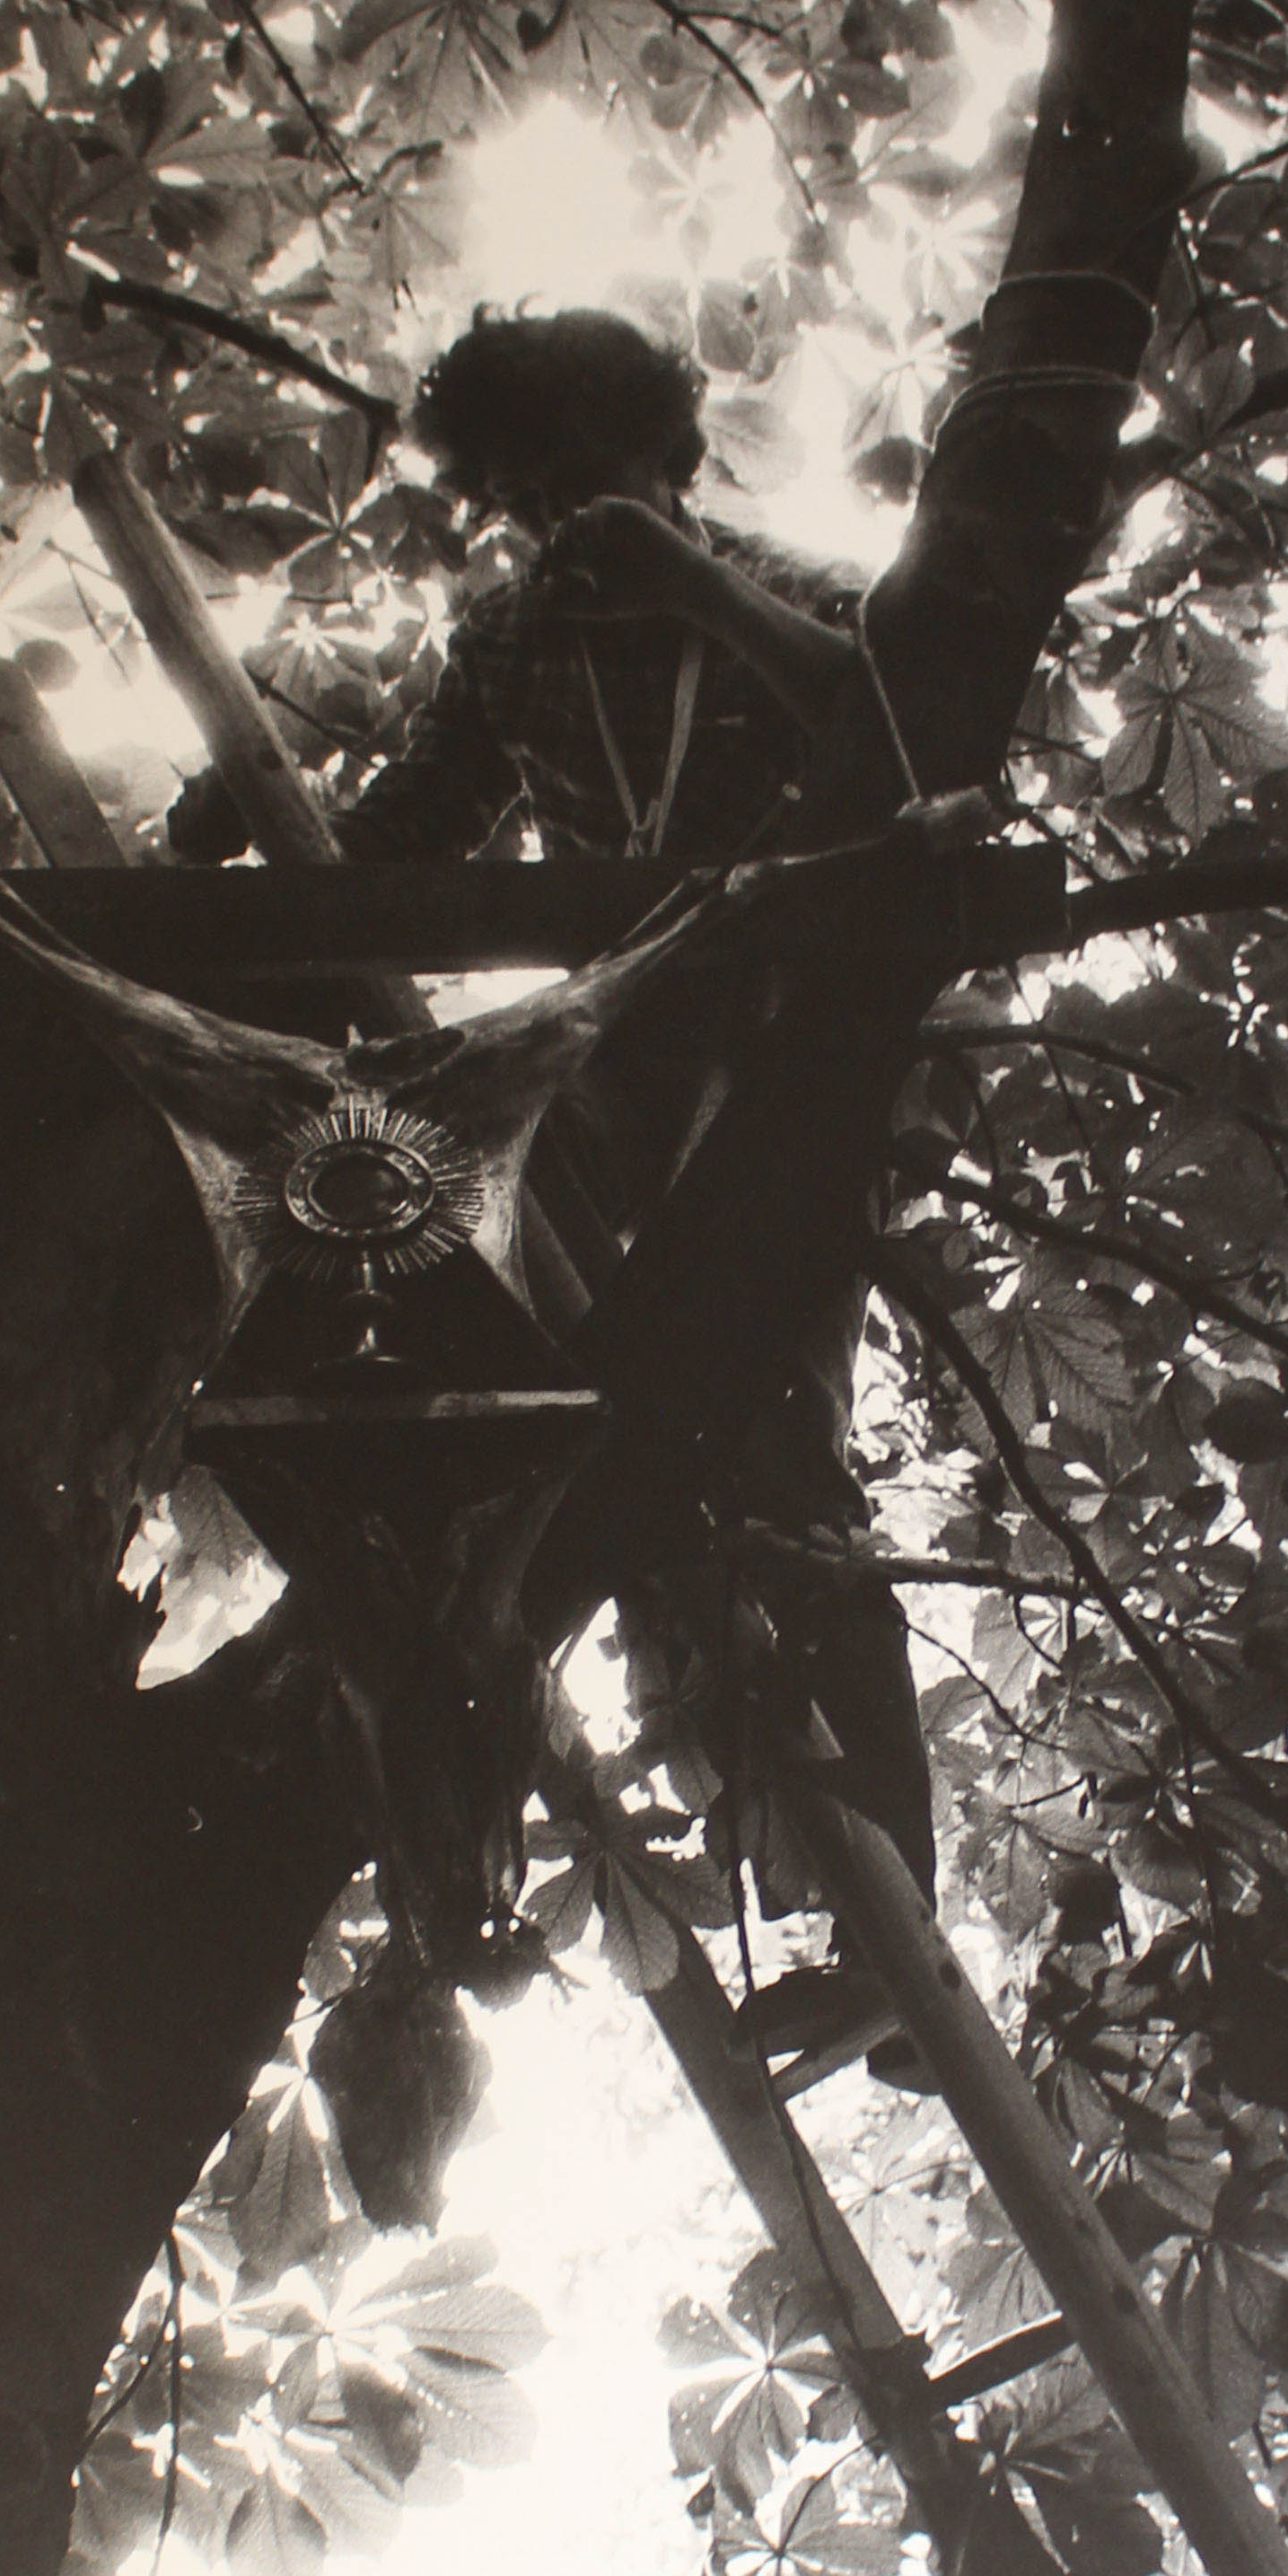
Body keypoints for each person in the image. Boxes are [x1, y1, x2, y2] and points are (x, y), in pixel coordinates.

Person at [173, 309, 936, 1919]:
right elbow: (405, 848)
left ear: (674, 460)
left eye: (584, 489)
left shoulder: (786, 592)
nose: (555, 531)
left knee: (784, 1426)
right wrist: (241, 831)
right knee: (453, 1293)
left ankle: (881, 1891)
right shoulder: (519, 640)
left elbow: (904, 732)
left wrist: (695, 590)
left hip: (794, 1060)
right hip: (615, 1060)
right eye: (524, 501)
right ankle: (443, 1685)